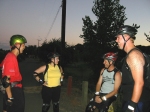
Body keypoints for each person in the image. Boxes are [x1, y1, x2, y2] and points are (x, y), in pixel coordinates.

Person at [115, 25, 150, 112]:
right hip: (135, 100)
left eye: (118, 37)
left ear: (126, 37)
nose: (116, 40)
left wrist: (132, 106)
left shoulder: (134, 55)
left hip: (137, 102)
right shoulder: (132, 54)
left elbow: (139, 82)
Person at [1, 35, 27, 112]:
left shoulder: (9, 56)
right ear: (17, 45)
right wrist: (10, 97)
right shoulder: (11, 57)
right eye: (23, 45)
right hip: (14, 90)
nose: (24, 47)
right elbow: (6, 80)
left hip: (11, 89)